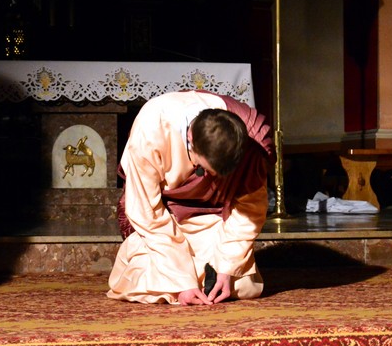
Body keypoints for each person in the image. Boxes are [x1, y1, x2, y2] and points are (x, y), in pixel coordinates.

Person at [107, 90, 274, 306]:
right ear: (190, 139)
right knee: (150, 282)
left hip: (213, 220)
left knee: (241, 284)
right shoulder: (151, 130)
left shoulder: (251, 140)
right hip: (164, 220)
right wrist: (181, 281)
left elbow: (249, 211)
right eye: (205, 169)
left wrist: (226, 267)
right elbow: (147, 212)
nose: (209, 180)